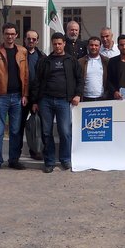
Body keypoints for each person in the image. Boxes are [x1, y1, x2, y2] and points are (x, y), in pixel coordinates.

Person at [31, 32, 83, 173]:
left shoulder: (71, 61)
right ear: (52, 44)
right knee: (46, 132)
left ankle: (65, 159)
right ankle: (49, 161)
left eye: (60, 43)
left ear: (64, 44)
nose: (57, 46)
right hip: (45, 101)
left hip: (63, 101)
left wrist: (78, 94)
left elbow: (80, 79)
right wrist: (35, 101)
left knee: (65, 131)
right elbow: (37, 81)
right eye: (55, 44)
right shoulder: (45, 61)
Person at [0, 22, 29, 173]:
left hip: (17, 98)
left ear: (16, 35)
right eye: (7, 34)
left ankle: (13, 160)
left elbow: (26, 75)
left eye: (12, 34)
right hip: (1, 98)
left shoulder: (22, 51)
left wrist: (25, 94)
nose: (9, 36)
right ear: (3, 34)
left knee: (15, 131)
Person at [19, 29, 46, 160]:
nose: (31, 41)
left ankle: (36, 150)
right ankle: (16, 153)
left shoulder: (42, 57)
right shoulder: (18, 54)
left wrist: (37, 99)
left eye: (34, 39)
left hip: (36, 96)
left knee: (37, 125)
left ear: (37, 41)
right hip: (20, 95)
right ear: (24, 39)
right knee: (18, 125)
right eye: (28, 38)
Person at [78, 36, 109, 101]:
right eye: (91, 45)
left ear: (100, 47)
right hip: (85, 98)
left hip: (102, 98)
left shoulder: (106, 61)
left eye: (96, 45)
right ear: (87, 46)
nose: (94, 47)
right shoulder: (80, 62)